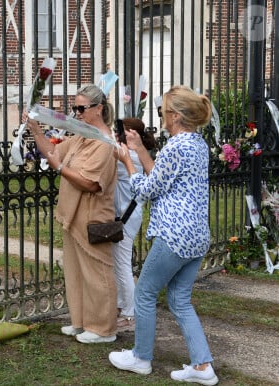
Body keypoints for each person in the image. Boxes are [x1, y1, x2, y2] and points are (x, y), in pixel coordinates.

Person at [108, 85, 219, 385]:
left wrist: (127, 160)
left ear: (175, 115)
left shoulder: (175, 147)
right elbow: (161, 176)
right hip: (196, 236)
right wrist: (141, 150)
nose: (161, 116)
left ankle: (141, 357)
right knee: (180, 300)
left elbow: (145, 190)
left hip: (174, 235)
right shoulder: (196, 144)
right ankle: (202, 367)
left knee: (144, 294)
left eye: (163, 111)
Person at [24, 84, 118, 343]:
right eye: (74, 108)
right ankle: (81, 322)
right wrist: (35, 129)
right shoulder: (82, 136)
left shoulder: (104, 142)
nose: (76, 113)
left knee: (97, 273)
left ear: (98, 109)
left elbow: (89, 182)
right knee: (76, 272)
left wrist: (59, 168)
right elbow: (53, 152)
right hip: (72, 215)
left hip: (93, 216)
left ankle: (103, 329)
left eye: (81, 108)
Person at [113, 118, 157, 332]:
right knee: (119, 263)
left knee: (122, 264)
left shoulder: (128, 156)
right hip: (128, 214)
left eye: (117, 131)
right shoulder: (134, 154)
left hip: (126, 216)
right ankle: (122, 305)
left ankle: (131, 314)